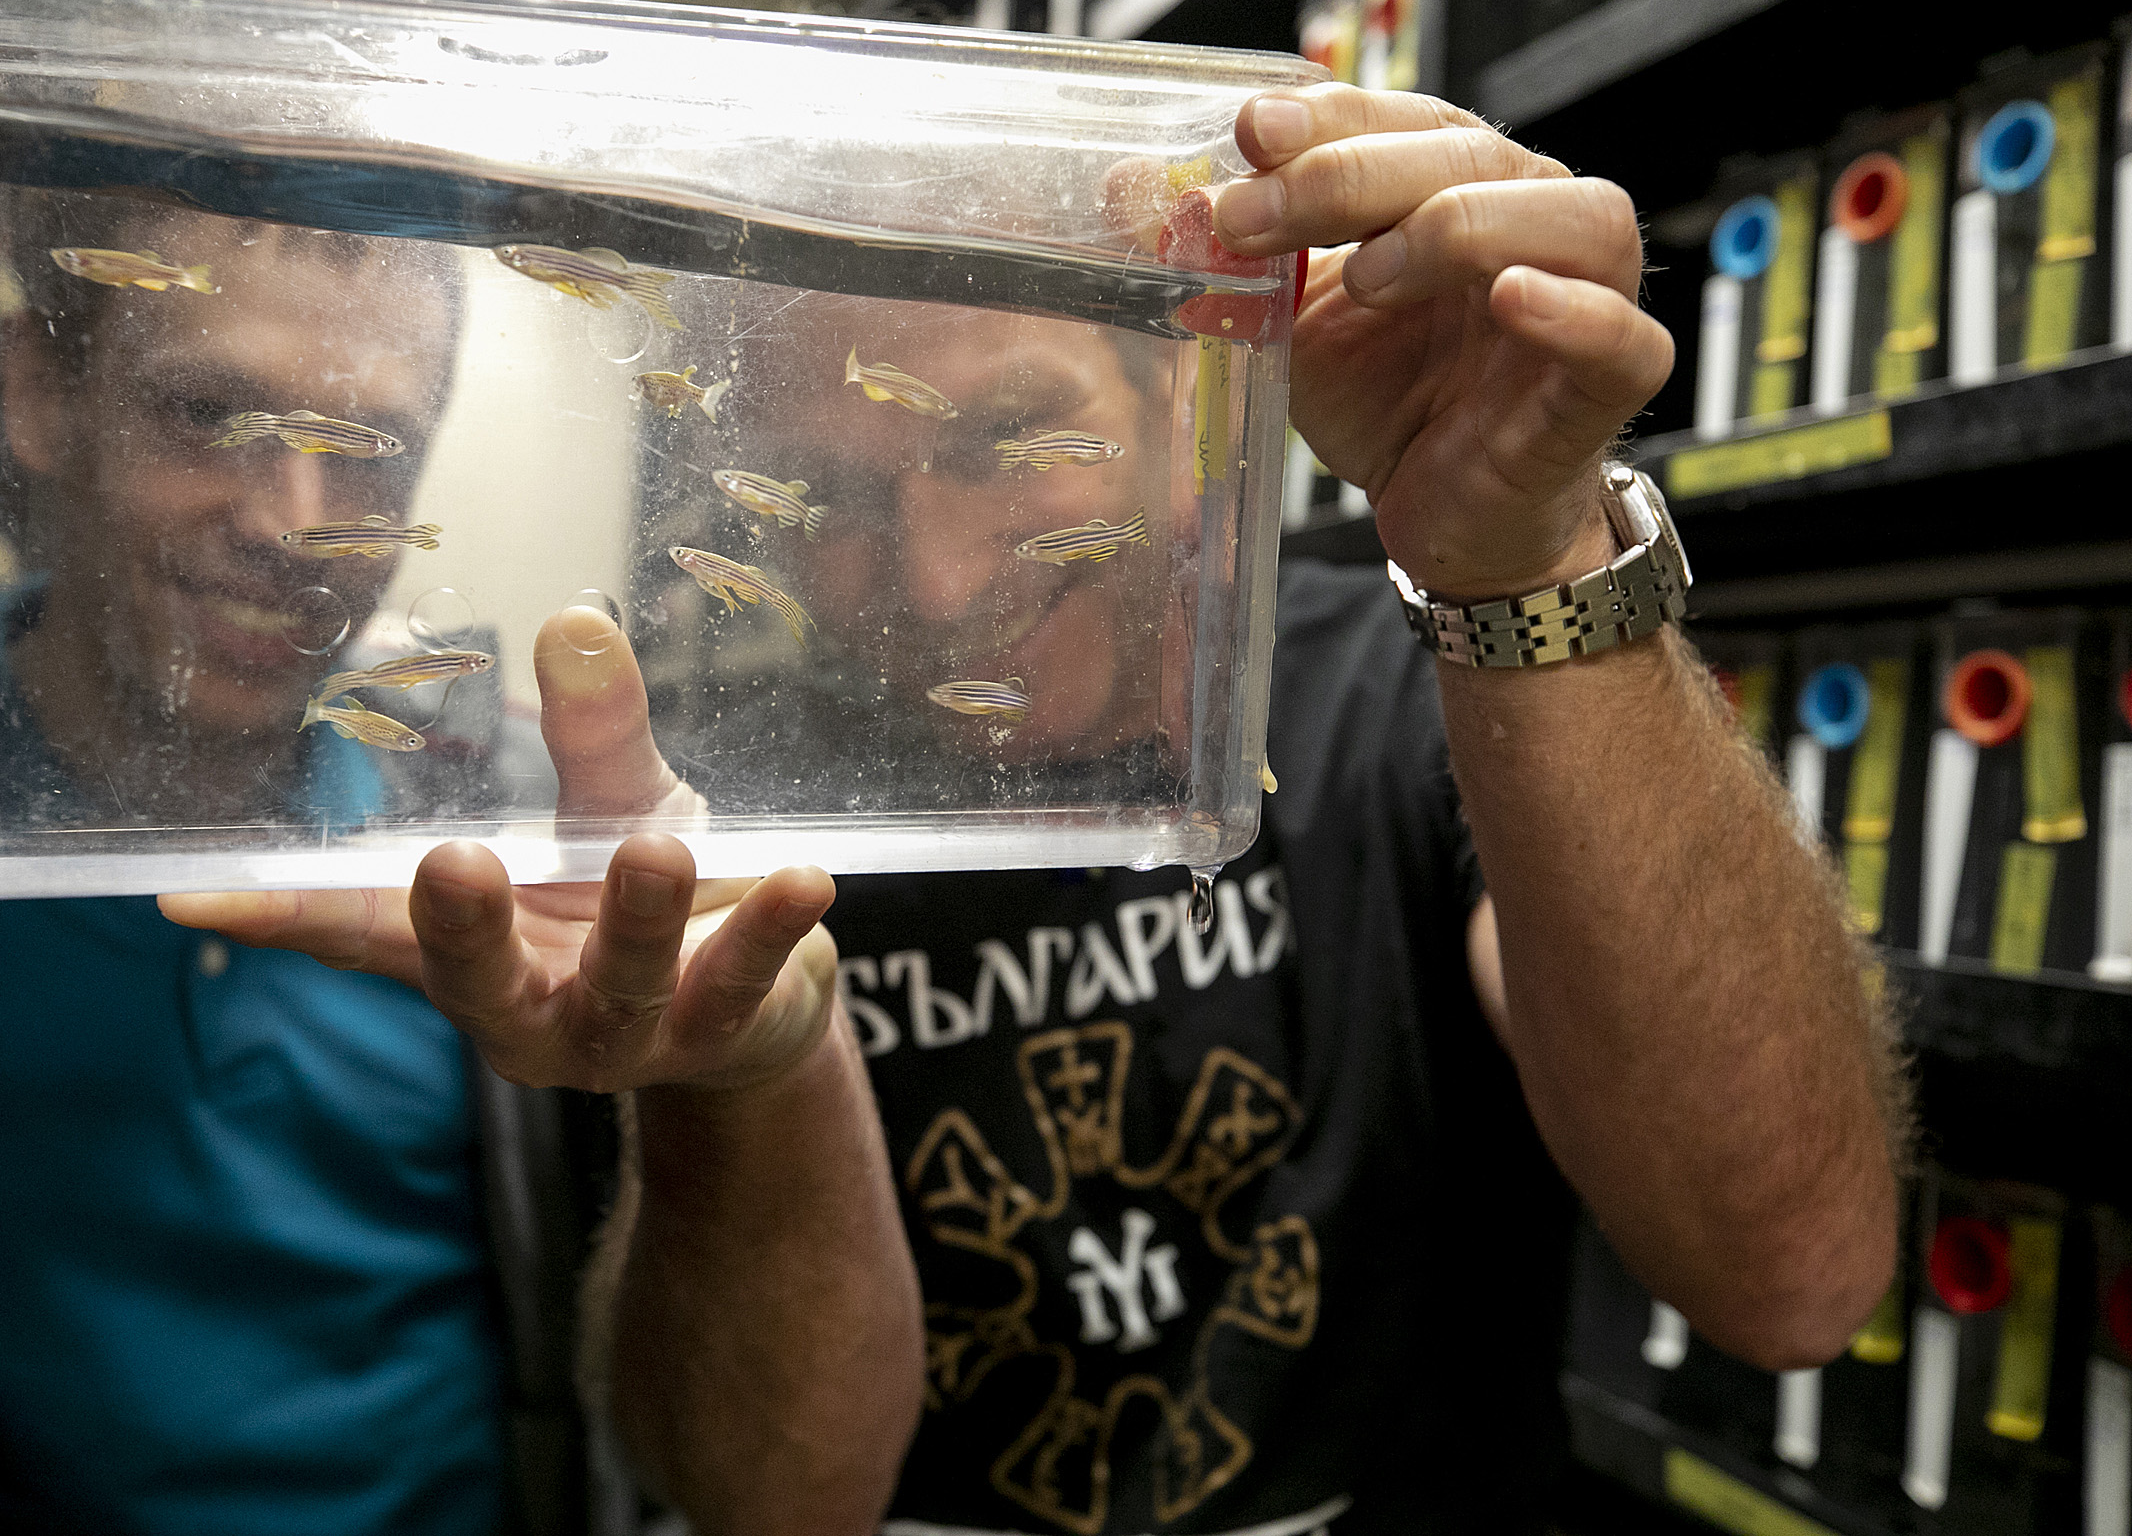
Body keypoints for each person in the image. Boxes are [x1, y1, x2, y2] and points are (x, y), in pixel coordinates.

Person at [180, 81, 1906, 1534]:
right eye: (840, 500)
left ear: (1190, 399)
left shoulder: (1409, 692)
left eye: (1003, 442)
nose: (933, 583)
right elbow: (771, 1501)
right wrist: (753, 1072)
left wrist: (1527, 567)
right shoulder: (699, 819)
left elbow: (1791, 1273)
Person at [0, 204, 919, 1535]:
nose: (294, 521)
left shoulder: (542, 846)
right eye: (205, 413)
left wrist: (741, 1082)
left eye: (368, 455)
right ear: (36, 394)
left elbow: (778, 1488)